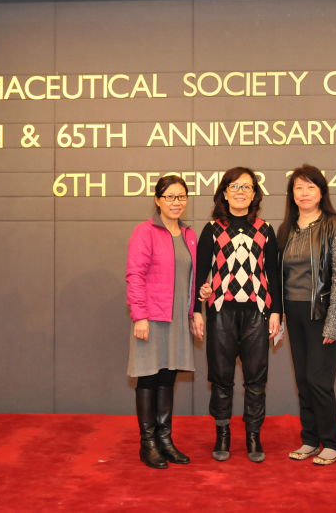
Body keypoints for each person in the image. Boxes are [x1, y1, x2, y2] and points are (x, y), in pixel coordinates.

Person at [192, 166, 282, 463]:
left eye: (246, 187)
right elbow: (200, 274)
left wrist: (276, 311)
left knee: (256, 379)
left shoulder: (265, 229)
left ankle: (254, 436)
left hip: (257, 313)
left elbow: (273, 275)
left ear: (255, 194)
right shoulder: (212, 229)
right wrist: (199, 301)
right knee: (221, 378)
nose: (240, 192)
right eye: (234, 187)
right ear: (224, 193)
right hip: (221, 312)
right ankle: (222, 434)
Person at [125, 175, 208, 469]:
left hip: (178, 320)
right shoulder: (144, 232)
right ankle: (147, 443)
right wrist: (140, 316)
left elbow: (193, 279)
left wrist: (196, 309)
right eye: (170, 196)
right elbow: (135, 276)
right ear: (158, 200)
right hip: (152, 318)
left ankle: (165, 439)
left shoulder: (189, 235)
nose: (176, 202)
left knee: (168, 377)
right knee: (148, 377)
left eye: (181, 196)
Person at [277, 164, 336, 466]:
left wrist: (333, 323)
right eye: (298, 187)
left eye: (311, 187)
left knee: (319, 381)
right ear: (291, 193)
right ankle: (310, 440)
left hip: (321, 313)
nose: (304, 193)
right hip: (293, 313)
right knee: (303, 381)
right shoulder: (286, 229)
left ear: (321, 191)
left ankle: (332, 443)